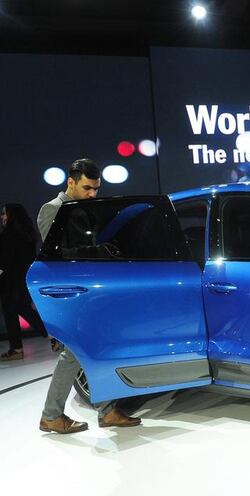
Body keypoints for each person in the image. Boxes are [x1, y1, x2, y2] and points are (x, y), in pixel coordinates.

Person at [37, 158, 141, 434]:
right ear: (70, 182)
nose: (93, 194)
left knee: (90, 349)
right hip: (71, 294)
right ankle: (54, 415)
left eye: (96, 189)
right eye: (87, 188)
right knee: (74, 352)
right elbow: (56, 257)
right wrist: (98, 252)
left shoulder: (83, 209)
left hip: (89, 293)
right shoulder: (53, 210)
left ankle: (104, 411)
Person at [0, 203, 47, 361]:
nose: (2, 217)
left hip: (11, 280)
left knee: (10, 310)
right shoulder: (28, 234)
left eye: (5, 214)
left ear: (12, 215)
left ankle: (16, 348)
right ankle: (53, 336)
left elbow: (4, 261)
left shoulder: (8, 235)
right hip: (25, 278)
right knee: (23, 308)